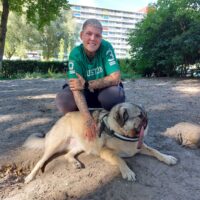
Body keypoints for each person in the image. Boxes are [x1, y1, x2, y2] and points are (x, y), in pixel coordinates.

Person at [55, 18, 125, 141]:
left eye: (97, 35)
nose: (93, 38)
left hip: (101, 91)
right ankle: (79, 120)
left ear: (101, 38)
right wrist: (87, 120)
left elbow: (116, 77)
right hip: (84, 93)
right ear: (81, 35)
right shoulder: (75, 54)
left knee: (115, 95)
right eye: (89, 33)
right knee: (63, 100)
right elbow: (77, 88)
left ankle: (106, 118)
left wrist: (87, 84)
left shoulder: (106, 48)